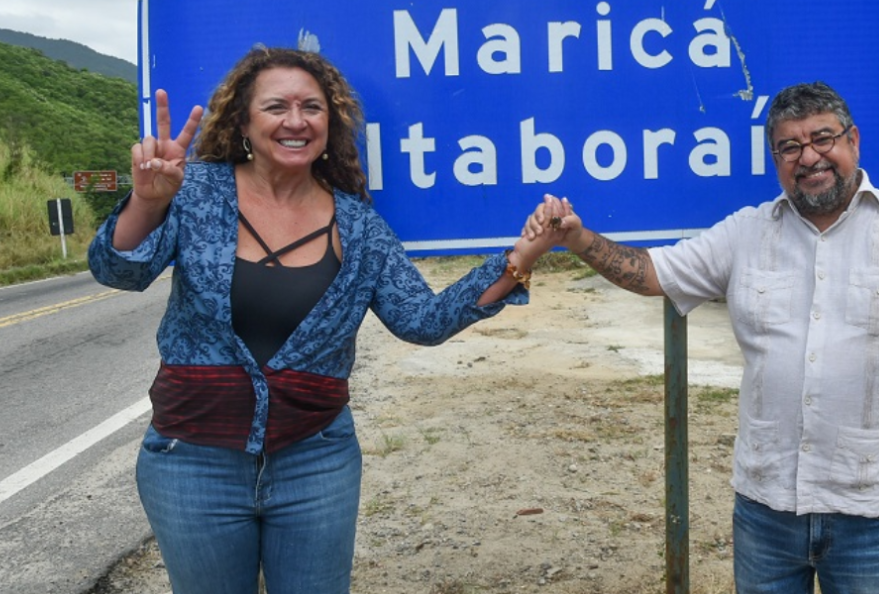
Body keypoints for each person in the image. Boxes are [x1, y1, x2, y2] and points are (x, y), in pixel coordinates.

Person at [88, 47, 557, 594]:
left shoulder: (359, 225)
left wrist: (520, 257)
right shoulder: (193, 191)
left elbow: (422, 321)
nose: (295, 120)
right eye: (276, 107)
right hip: (192, 461)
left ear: (328, 124)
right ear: (243, 121)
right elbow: (121, 273)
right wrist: (147, 203)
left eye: (311, 107)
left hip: (315, 462)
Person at [524, 81, 879, 594]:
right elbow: (652, 274)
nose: (809, 157)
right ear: (776, 159)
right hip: (767, 510)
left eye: (822, 138)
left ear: (853, 141)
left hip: (873, 510)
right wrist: (577, 239)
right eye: (790, 146)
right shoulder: (747, 232)